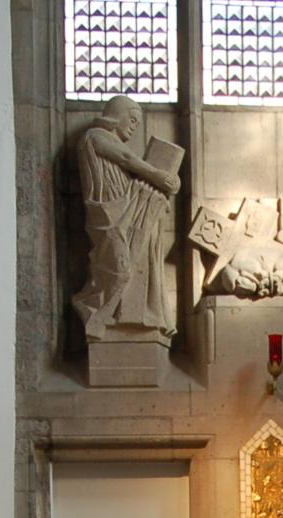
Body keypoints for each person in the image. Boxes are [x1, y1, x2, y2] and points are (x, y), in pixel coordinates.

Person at [72, 96, 182, 338]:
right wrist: (157, 175)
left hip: (121, 212)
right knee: (120, 271)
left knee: (125, 268)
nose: (134, 127)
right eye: (131, 120)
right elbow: (128, 159)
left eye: (137, 123)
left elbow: (134, 179)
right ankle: (89, 309)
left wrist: (166, 182)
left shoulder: (109, 142)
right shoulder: (95, 137)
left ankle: (102, 318)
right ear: (116, 115)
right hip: (107, 214)